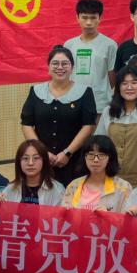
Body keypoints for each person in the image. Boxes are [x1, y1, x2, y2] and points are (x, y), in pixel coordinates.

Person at [21, 45, 97, 185]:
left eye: (65, 63)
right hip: (42, 160)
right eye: (55, 63)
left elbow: (88, 125)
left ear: (72, 67)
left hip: (75, 160)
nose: (60, 67)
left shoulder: (85, 92)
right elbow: (26, 124)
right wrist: (42, 152)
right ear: (48, 67)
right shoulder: (36, 91)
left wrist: (68, 153)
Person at [93, 64, 137, 186]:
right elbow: (99, 145)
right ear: (118, 87)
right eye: (124, 83)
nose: (129, 87)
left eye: (134, 82)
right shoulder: (108, 112)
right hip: (110, 181)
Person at [63, 0, 117, 118]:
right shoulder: (69, 45)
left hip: (100, 104)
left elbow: (112, 76)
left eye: (93, 17)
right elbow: (65, 73)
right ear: (77, 18)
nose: (88, 22)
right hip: (73, 101)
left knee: (98, 131)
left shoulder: (110, 45)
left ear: (100, 18)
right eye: (84, 17)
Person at [62, 135, 133, 212]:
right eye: (91, 154)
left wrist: (108, 215)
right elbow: (63, 216)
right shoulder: (74, 185)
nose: (96, 159)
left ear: (110, 158)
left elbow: (127, 218)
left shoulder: (124, 187)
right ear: (85, 157)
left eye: (101, 155)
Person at [0, 139, 65, 205]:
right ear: (19, 162)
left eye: (36, 158)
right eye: (25, 158)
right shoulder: (11, 188)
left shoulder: (57, 190)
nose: (30, 163)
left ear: (44, 161)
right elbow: (4, 213)